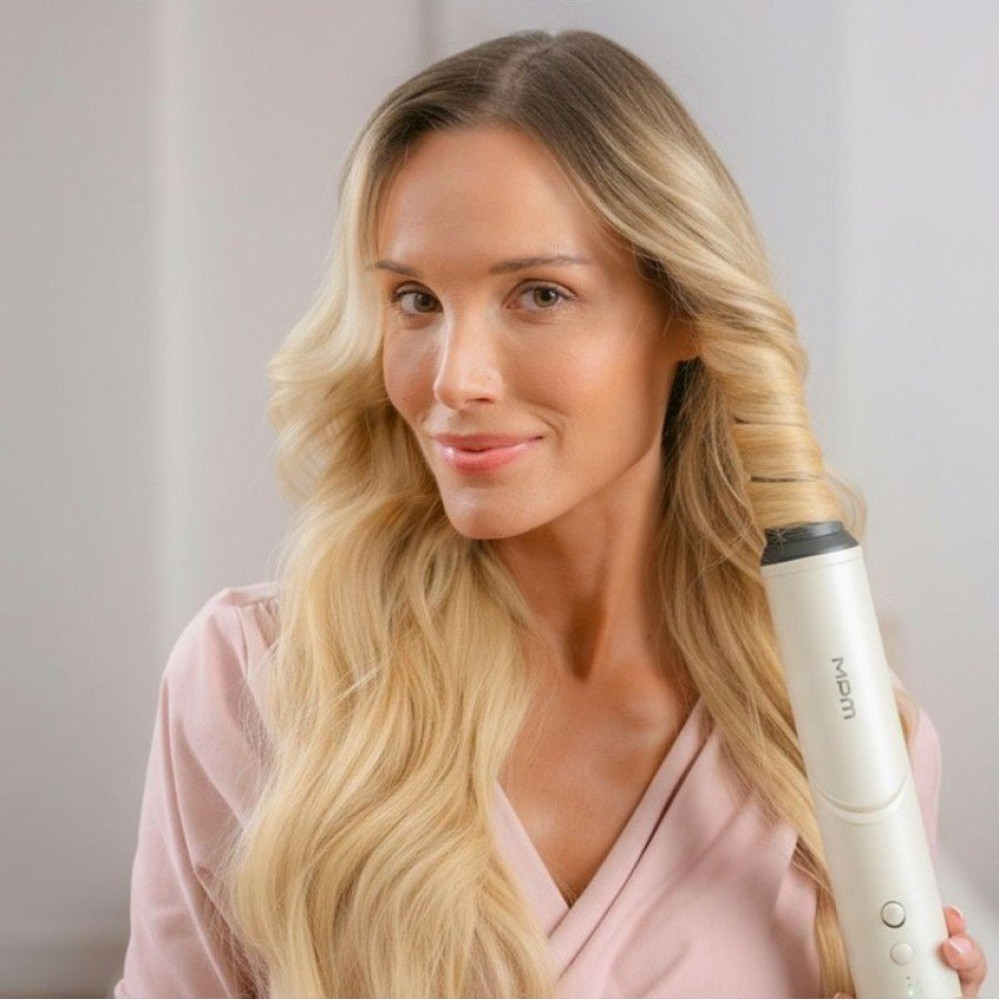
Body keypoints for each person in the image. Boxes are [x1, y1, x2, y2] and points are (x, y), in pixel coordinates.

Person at [113, 29, 987, 999]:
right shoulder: (256, 680)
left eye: (538, 294)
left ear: (684, 310)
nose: (455, 379)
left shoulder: (835, 736)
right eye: (415, 300)